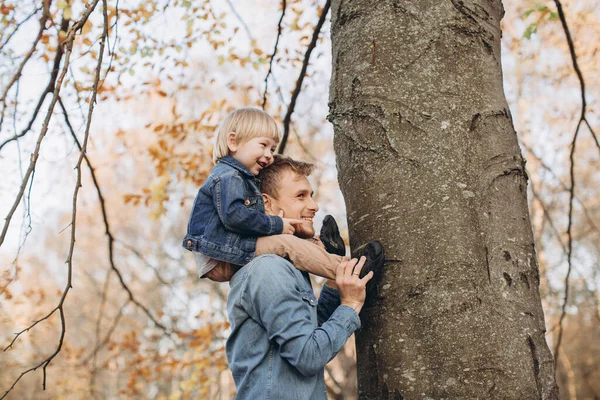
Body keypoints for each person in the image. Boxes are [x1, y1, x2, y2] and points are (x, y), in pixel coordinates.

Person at [204, 155, 385, 399]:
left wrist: (335, 286)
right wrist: (351, 305)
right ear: (267, 205)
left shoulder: (285, 268)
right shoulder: (268, 269)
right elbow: (308, 356)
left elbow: (313, 336)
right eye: (301, 196)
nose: (314, 205)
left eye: (311, 195)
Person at [182, 107, 377, 280]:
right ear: (233, 142)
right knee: (287, 245)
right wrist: (277, 224)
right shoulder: (228, 176)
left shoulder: (241, 178)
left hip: (229, 248)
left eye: (273, 149)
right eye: (263, 145)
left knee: (292, 242)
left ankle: (325, 250)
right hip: (220, 256)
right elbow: (234, 217)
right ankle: (351, 272)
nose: (269, 154)